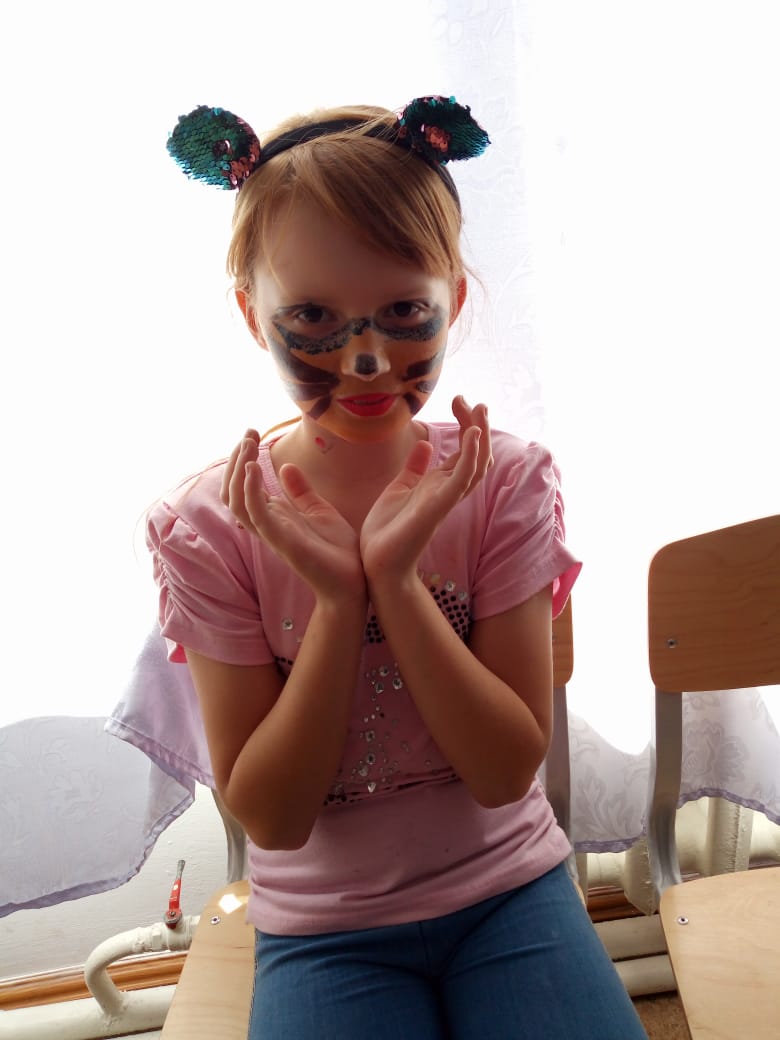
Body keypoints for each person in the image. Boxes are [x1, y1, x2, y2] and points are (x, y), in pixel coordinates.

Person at [149, 96, 648, 1039]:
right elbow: (273, 819)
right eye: (313, 316)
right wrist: (339, 603)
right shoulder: (209, 527)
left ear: (453, 297)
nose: (368, 359)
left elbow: (504, 771)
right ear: (253, 314)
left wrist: (398, 583)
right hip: (322, 933)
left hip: (510, 890)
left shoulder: (503, 483)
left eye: (404, 312)